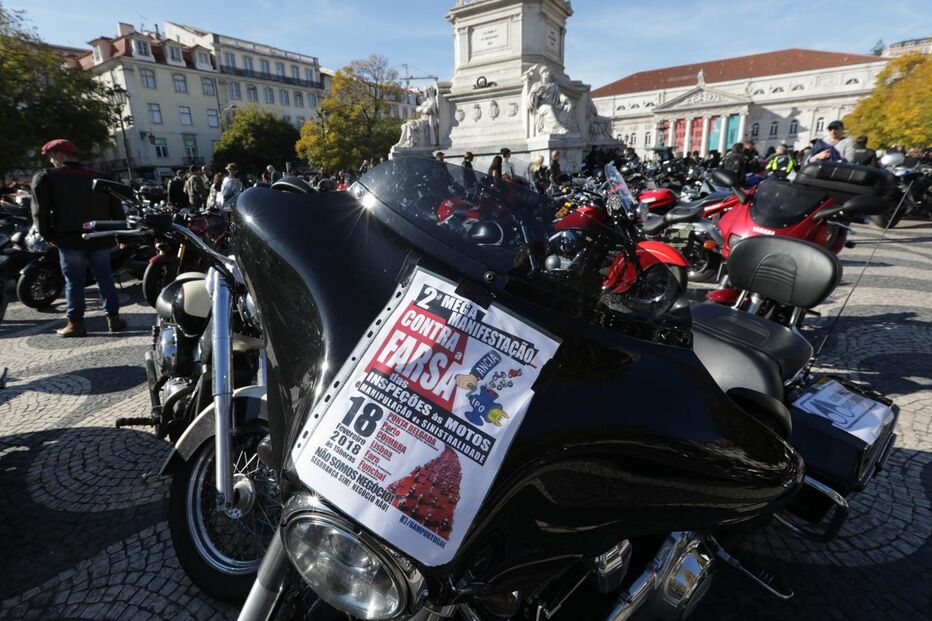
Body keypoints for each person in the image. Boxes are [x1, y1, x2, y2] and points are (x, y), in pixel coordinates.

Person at [30, 138, 127, 337]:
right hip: (99, 235)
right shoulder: (100, 176)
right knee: (105, 278)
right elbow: (116, 207)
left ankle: (75, 323)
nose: (51, 161)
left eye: (51, 157)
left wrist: (47, 234)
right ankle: (114, 319)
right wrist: (121, 233)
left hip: (69, 237)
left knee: (74, 281)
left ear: (59, 155)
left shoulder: (48, 177)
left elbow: (40, 211)